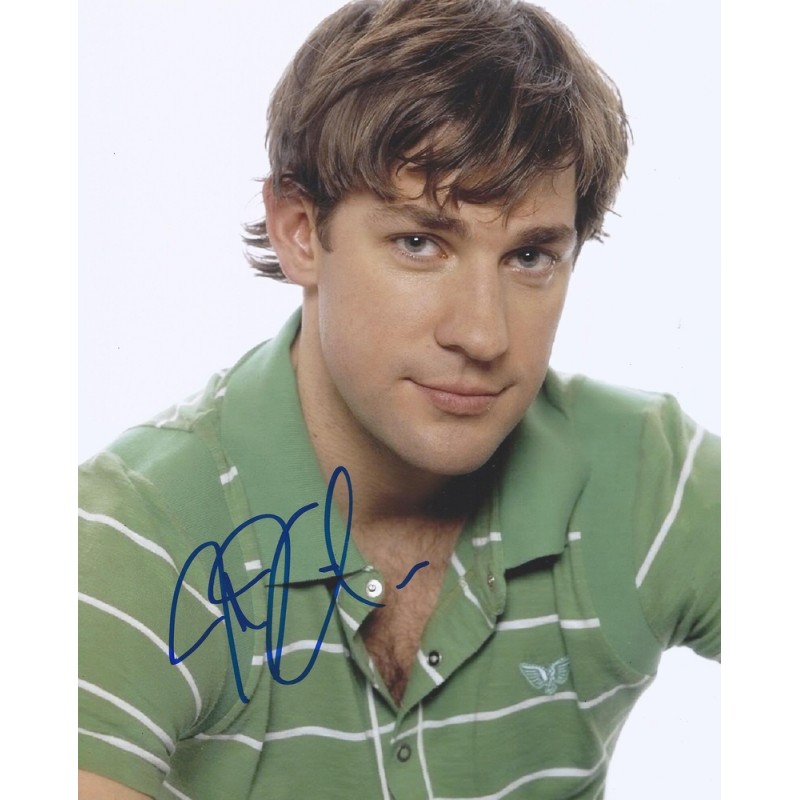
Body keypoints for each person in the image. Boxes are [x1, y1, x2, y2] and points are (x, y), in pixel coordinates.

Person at [78, 1, 720, 798]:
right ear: (299, 231)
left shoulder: (644, 476)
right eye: (420, 243)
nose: (482, 334)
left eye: (529, 257)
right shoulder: (138, 534)